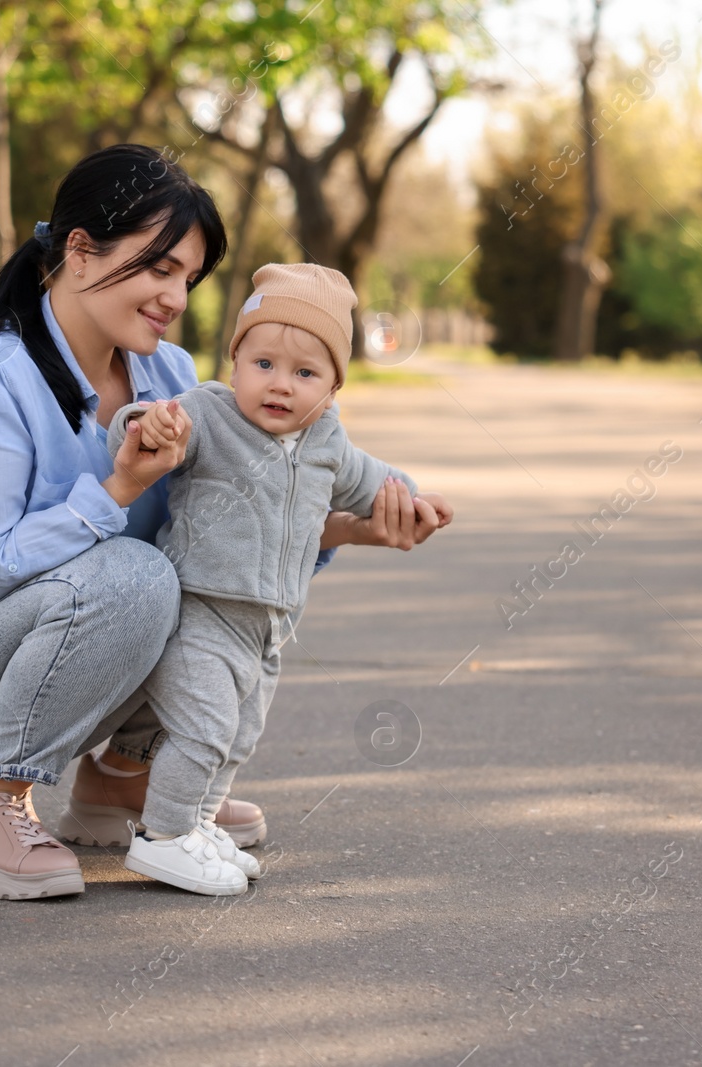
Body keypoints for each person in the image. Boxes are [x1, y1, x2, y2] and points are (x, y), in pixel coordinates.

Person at [0, 144, 448, 902]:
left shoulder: (168, 375)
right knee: (139, 574)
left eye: (188, 278)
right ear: (81, 250)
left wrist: (352, 528)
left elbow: (220, 527)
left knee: (205, 591)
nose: (175, 296)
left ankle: (126, 777)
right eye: (159, 268)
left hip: (54, 648)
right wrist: (118, 484)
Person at [91, 263, 450, 895]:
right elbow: (145, 421)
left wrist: (417, 503)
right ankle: (164, 838)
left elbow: (379, 484)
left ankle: (194, 825)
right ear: (235, 364)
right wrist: (147, 425)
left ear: (334, 387)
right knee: (201, 729)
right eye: (263, 364)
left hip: (270, 628)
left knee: (236, 737)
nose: (279, 385)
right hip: (201, 609)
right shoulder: (209, 414)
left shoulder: (328, 443)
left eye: (305, 373)